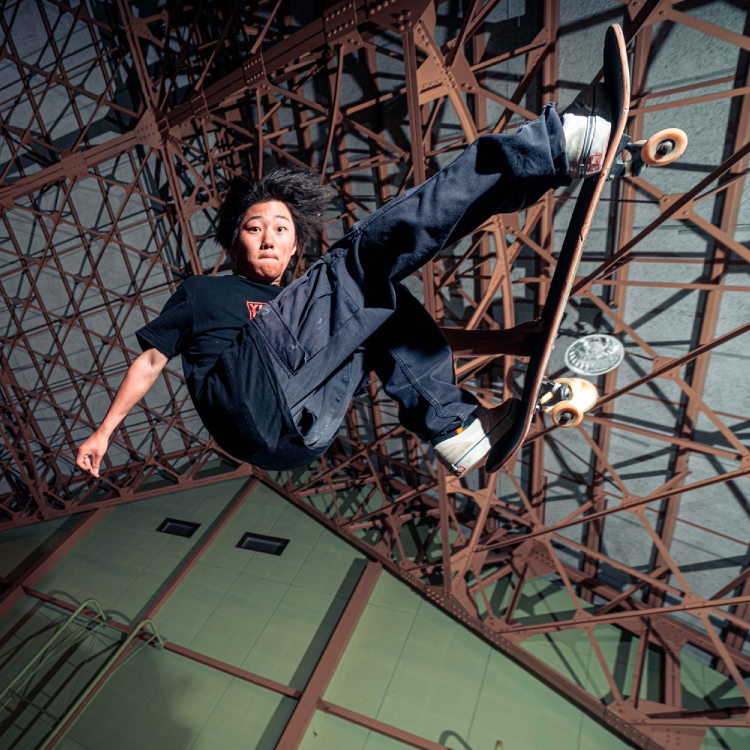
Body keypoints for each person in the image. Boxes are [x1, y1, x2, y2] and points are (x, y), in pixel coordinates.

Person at [76, 92, 612, 480]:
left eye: (281, 229)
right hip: (244, 395)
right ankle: (547, 149)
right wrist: (105, 431)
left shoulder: (310, 314)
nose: (268, 238)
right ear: (233, 244)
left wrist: (505, 342)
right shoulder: (203, 293)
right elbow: (151, 361)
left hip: (305, 434)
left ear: (294, 247)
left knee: (380, 306)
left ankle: (455, 428)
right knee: (359, 259)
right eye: (254, 228)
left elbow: (408, 340)